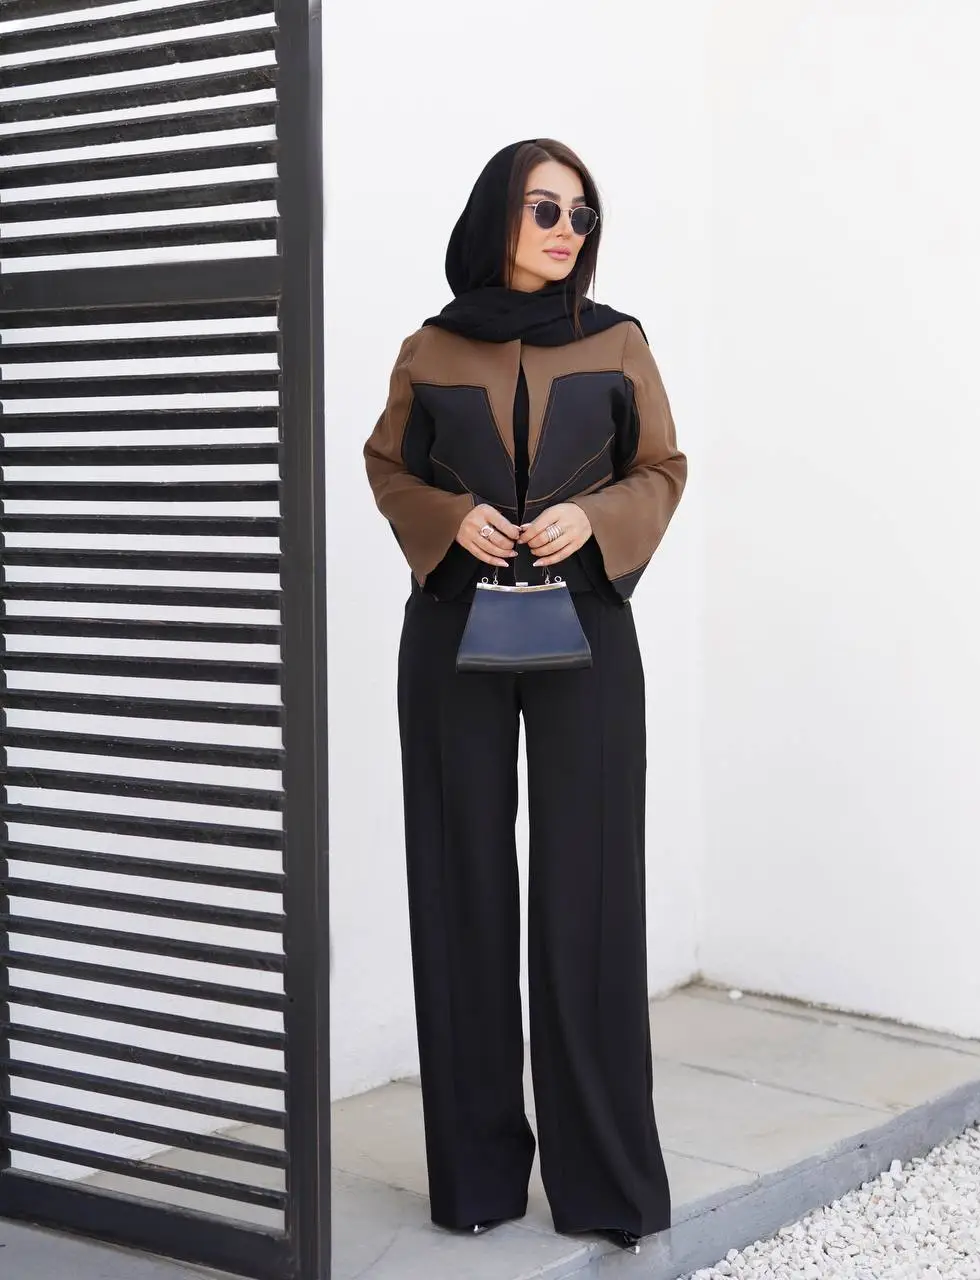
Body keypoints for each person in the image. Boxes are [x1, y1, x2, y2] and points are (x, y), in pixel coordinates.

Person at [363, 138, 687, 1253]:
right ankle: (476, 1176)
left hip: (586, 629)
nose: (565, 230)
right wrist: (449, 519)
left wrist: (593, 518)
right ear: (496, 213)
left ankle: (606, 1184)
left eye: (581, 214)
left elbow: (662, 468)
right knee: (459, 883)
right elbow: (388, 465)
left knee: (587, 892)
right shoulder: (429, 347)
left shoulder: (617, 340)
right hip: (451, 630)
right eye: (544, 208)